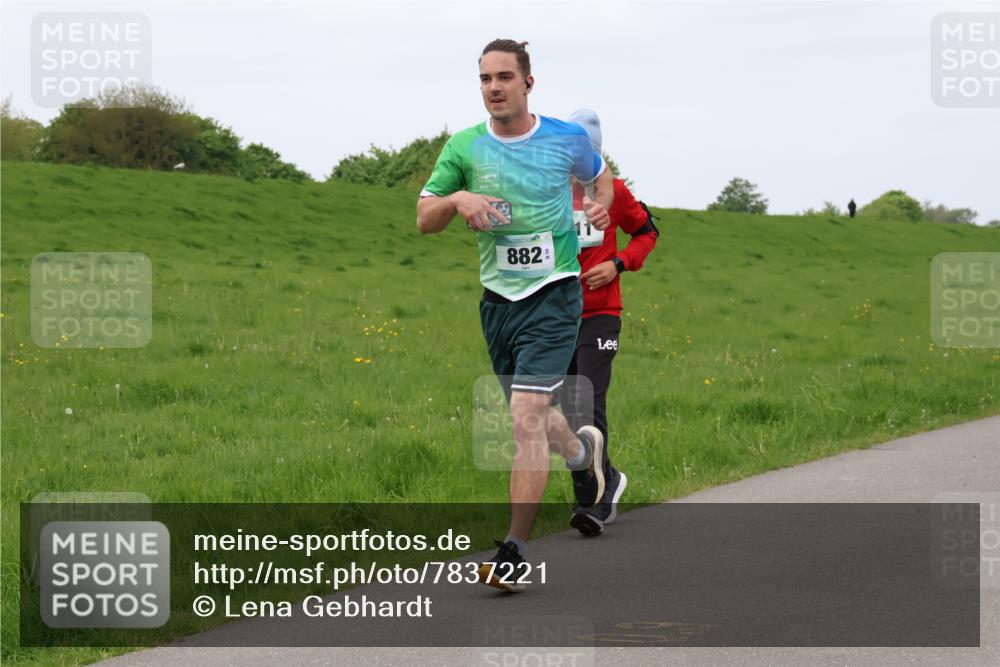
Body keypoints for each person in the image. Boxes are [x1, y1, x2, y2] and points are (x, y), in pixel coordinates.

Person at [416, 39, 615, 592]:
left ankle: (515, 549)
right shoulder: (464, 147)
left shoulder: (564, 138)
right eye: (485, 79)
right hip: (497, 302)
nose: (494, 87)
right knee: (537, 414)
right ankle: (584, 456)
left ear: (529, 83)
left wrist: (596, 204)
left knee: (525, 416)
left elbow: (599, 174)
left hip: (554, 293)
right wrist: (457, 202)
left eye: (505, 77)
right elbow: (424, 219)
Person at [560, 109, 659, 536]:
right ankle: (607, 479)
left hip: (601, 314)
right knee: (566, 412)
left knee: (589, 401)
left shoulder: (615, 192)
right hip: (557, 315)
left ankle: (597, 504)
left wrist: (618, 264)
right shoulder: (549, 192)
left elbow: (648, 233)